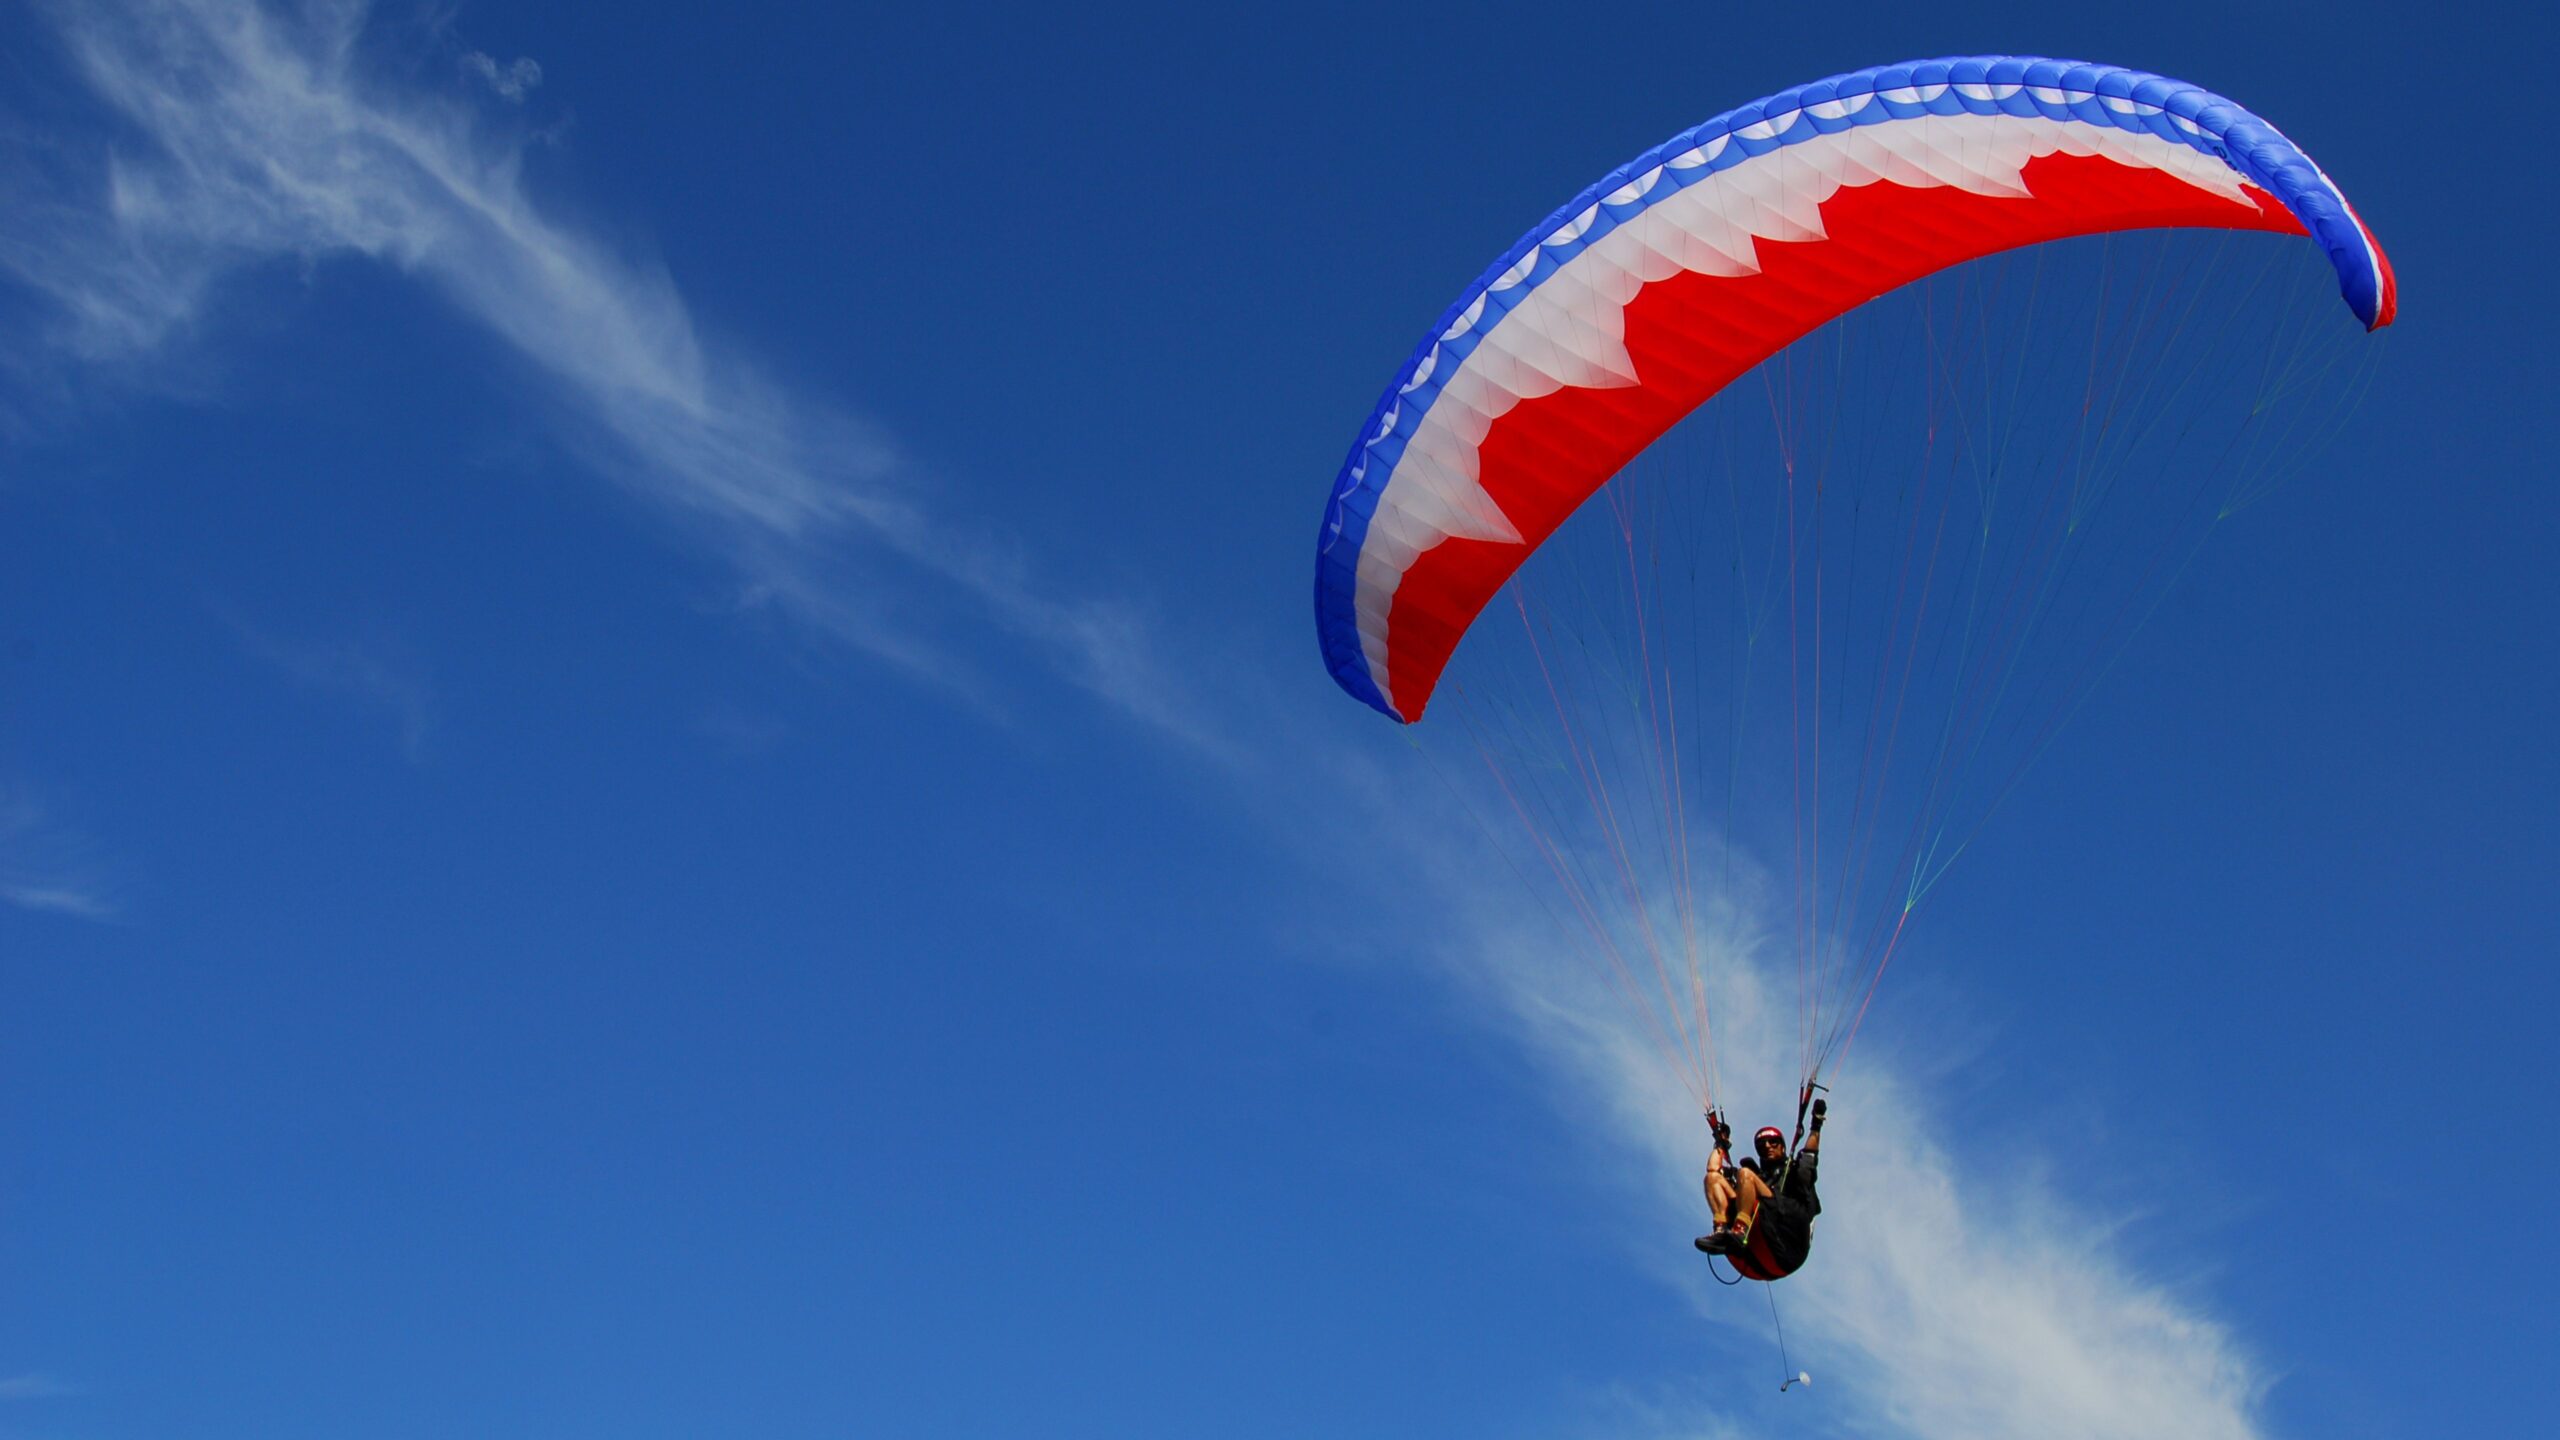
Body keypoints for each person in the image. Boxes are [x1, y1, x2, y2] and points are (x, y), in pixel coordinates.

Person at [1693, 1099, 1825, 1281]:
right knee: (1712, 1178)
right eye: (1762, 1146)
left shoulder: (1793, 1171)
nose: (1768, 1146)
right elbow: (1713, 1169)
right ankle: (1721, 1231)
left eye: (1773, 1142)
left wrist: (1816, 1124)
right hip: (1755, 1259)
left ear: (1783, 1146)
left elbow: (1810, 1155)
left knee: (1746, 1175)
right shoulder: (1754, 1177)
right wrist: (1721, 1144)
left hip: (1788, 1245)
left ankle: (1740, 1231)